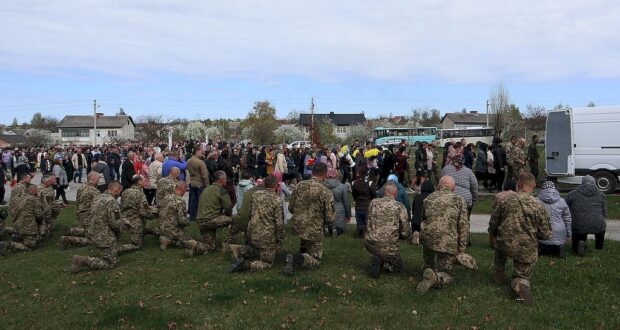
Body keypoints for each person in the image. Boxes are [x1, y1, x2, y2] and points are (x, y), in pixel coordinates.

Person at [488, 173, 551, 305]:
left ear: (519, 184)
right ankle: (520, 283)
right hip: (525, 247)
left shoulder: (505, 200)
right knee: (522, 274)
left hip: (504, 243)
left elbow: (494, 222)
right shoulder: (538, 205)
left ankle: (499, 274)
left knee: (500, 251)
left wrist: (492, 237)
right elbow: (545, 233)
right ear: (534, 186)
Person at [417, 176, 470, 293]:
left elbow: (423, 218)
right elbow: (463, 226)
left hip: (428, 239)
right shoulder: (459, 200)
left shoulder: (429, 197)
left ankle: (428, 267)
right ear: (454, 188)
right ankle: (437, 278)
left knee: (428, 261)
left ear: (439, 187)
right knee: (448, 274)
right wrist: (461, 250)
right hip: (447, 243)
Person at [283, 163, 335, 276]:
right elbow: (330, 217)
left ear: (312, 172)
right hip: (314, 228)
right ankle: (299, 258)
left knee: (305, 240)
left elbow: (290, 207)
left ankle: (303, 251)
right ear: (325, 174)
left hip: (298, 225)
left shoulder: (300, 185)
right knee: (315, 260)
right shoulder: (326, 191)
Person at [227, 175, 285, 273]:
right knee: (267, 262)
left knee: (257, 250)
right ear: (275, 186)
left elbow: (249, 214)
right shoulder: (276, 199)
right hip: (266, 236)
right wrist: (279, 240)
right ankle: (246, 265)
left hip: (251, 233)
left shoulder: (256, 195)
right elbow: (279, 223)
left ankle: (239, 249)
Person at [71, 182, 124, 272]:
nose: (120, 194)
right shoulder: (112, 201)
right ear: (117, 190)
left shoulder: (98, 197)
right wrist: (120, 230)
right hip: (105, 236)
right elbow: (116, 222)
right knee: (110, 264)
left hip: (94, 232)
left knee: (108, 254)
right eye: (120, 191)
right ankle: (82, 260)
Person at [364, 181, 411, 278]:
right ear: (395, 193)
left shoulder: (373, 202)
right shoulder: (399, 207)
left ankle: (379, 258)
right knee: (398, 267)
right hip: (388, 247)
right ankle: (386, 265)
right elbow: (406, 231)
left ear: (384, 192)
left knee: (381, 251)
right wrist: (402, 236)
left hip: (370, 242)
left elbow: (367, 220)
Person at [158, 181, 210, 256]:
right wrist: (189, 222)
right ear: (183, 189)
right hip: (173, 230)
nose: (186, 191)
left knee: (179, 238)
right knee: (191, 241)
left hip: (162, 228)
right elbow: (181, 220)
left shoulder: (166, 197)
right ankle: (199, 248)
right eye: (186, 189)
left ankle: (167, 240)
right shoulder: (180, 201)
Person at [565, 175, 608, 256]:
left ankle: (576, 247)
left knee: (579, 230)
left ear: (582, 183)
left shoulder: (572, 193)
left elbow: (565, 208)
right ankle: (599, 248)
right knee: (600, 228)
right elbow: (605, 212)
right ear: (594, 183)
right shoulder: (601, 194)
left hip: (578, 224)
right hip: (597, 223)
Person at [441, 153, 477, 244]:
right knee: (465, 221)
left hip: (449, 199)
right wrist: (473, 200)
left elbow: (440, 183)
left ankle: (450, 239)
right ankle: (465, 240)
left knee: (450, 220)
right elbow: (474, 187)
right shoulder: (468, 171)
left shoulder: (446, 169)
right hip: (465, 200)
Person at [117, 175, 158, 255]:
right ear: (139, 182)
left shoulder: (126, 191)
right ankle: (116, 250)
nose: (145, 182)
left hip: (125, 218)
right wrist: (154, 215)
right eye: (144, 180)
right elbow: (144, 212)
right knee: (136, 245)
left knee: (142, 232)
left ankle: (147, 231)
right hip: (136, 221)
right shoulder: (140, 194)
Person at [2, 185, 50, 253]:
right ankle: (9, 245)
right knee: (31, 246)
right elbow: (38, 215)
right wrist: (46, 210)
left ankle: (16, 236)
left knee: (32, 238)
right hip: (29, 228)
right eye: (37, 191)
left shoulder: (19, 198)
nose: (38, 193)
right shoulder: (33, 199)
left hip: (17, 224)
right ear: (34, 191)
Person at [196, 170, 234, 253]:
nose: (226, 180)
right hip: (211, 220)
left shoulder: (206, 189)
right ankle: (228, 244)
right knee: (235, 219)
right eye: (225, 179)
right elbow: (229, 211)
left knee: (209, 247)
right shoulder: (222, 191)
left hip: (200, 221)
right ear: (221, 179)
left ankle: (194, 247)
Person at [60, 172, 101, 248]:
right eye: (98, 178)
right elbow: (98, 206)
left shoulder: (82, 187)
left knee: (91, 232)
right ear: (94, 179)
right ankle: (69, 239)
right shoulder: (94, 191)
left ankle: (72, 230)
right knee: (95, 239)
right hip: (88, 218)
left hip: (80, 215)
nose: (99, 180)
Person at [537, 181, 572, 258]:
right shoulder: (562, 201)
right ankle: (559, 251)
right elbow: (568, 219)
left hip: (543, 232)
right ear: (554, 189)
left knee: (542, 245)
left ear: (542, 189)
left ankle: (542, 251)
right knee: (557, 247)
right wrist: (569, 234)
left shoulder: (536, 201)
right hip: (559, 233)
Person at [323, 169, 351, 237]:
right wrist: (348, 215)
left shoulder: (322, 186)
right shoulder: (342, 186)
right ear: (336, 175)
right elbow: (346, 202)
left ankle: (327, 228)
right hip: (339, 212)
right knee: (340, 227)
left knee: (326, 223)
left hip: (326, 210)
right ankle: (337, 230)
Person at [352, 167, 376, 237]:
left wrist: (357, 200)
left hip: (358, 206)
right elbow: (374, 195)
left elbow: (354, 195)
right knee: (367, 224)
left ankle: (359, 232)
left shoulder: (354, 183)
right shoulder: (370, 184)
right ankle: (363, 233)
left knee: (359, 223)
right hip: (367, 206)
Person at [187, 147, 210, 220]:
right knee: (201, 201)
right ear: (196, 151)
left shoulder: (189, 161)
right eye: (201, 152)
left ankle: (192, 216)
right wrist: (207, 185)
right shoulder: (200, 162)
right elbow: (204, 175)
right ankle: (201, 216)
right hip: (200, 184)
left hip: (192, 182)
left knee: (193, 200)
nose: (202, 153)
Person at [411, 179, 435, 245]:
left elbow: (413, 210)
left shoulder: (417, 197)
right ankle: (423, 236)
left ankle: (416, 232)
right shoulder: (433, 198)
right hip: (426, 223)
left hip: (415, 222)